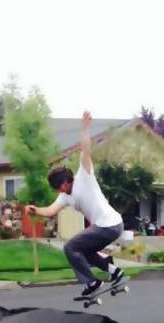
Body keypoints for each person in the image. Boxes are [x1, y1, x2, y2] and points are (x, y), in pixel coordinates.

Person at [24, 111, 125, 297]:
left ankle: (93, 282)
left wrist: (85, 127)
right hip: (109, 226)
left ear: (66, 182)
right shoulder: (65, 196)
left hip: (109, 224)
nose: (59, 192)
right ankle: (115, 272)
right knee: (83, 252)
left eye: (59, 187)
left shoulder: (84, 176)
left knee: (70, 247)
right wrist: (35, 209)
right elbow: (50, 211)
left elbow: (85, 149)